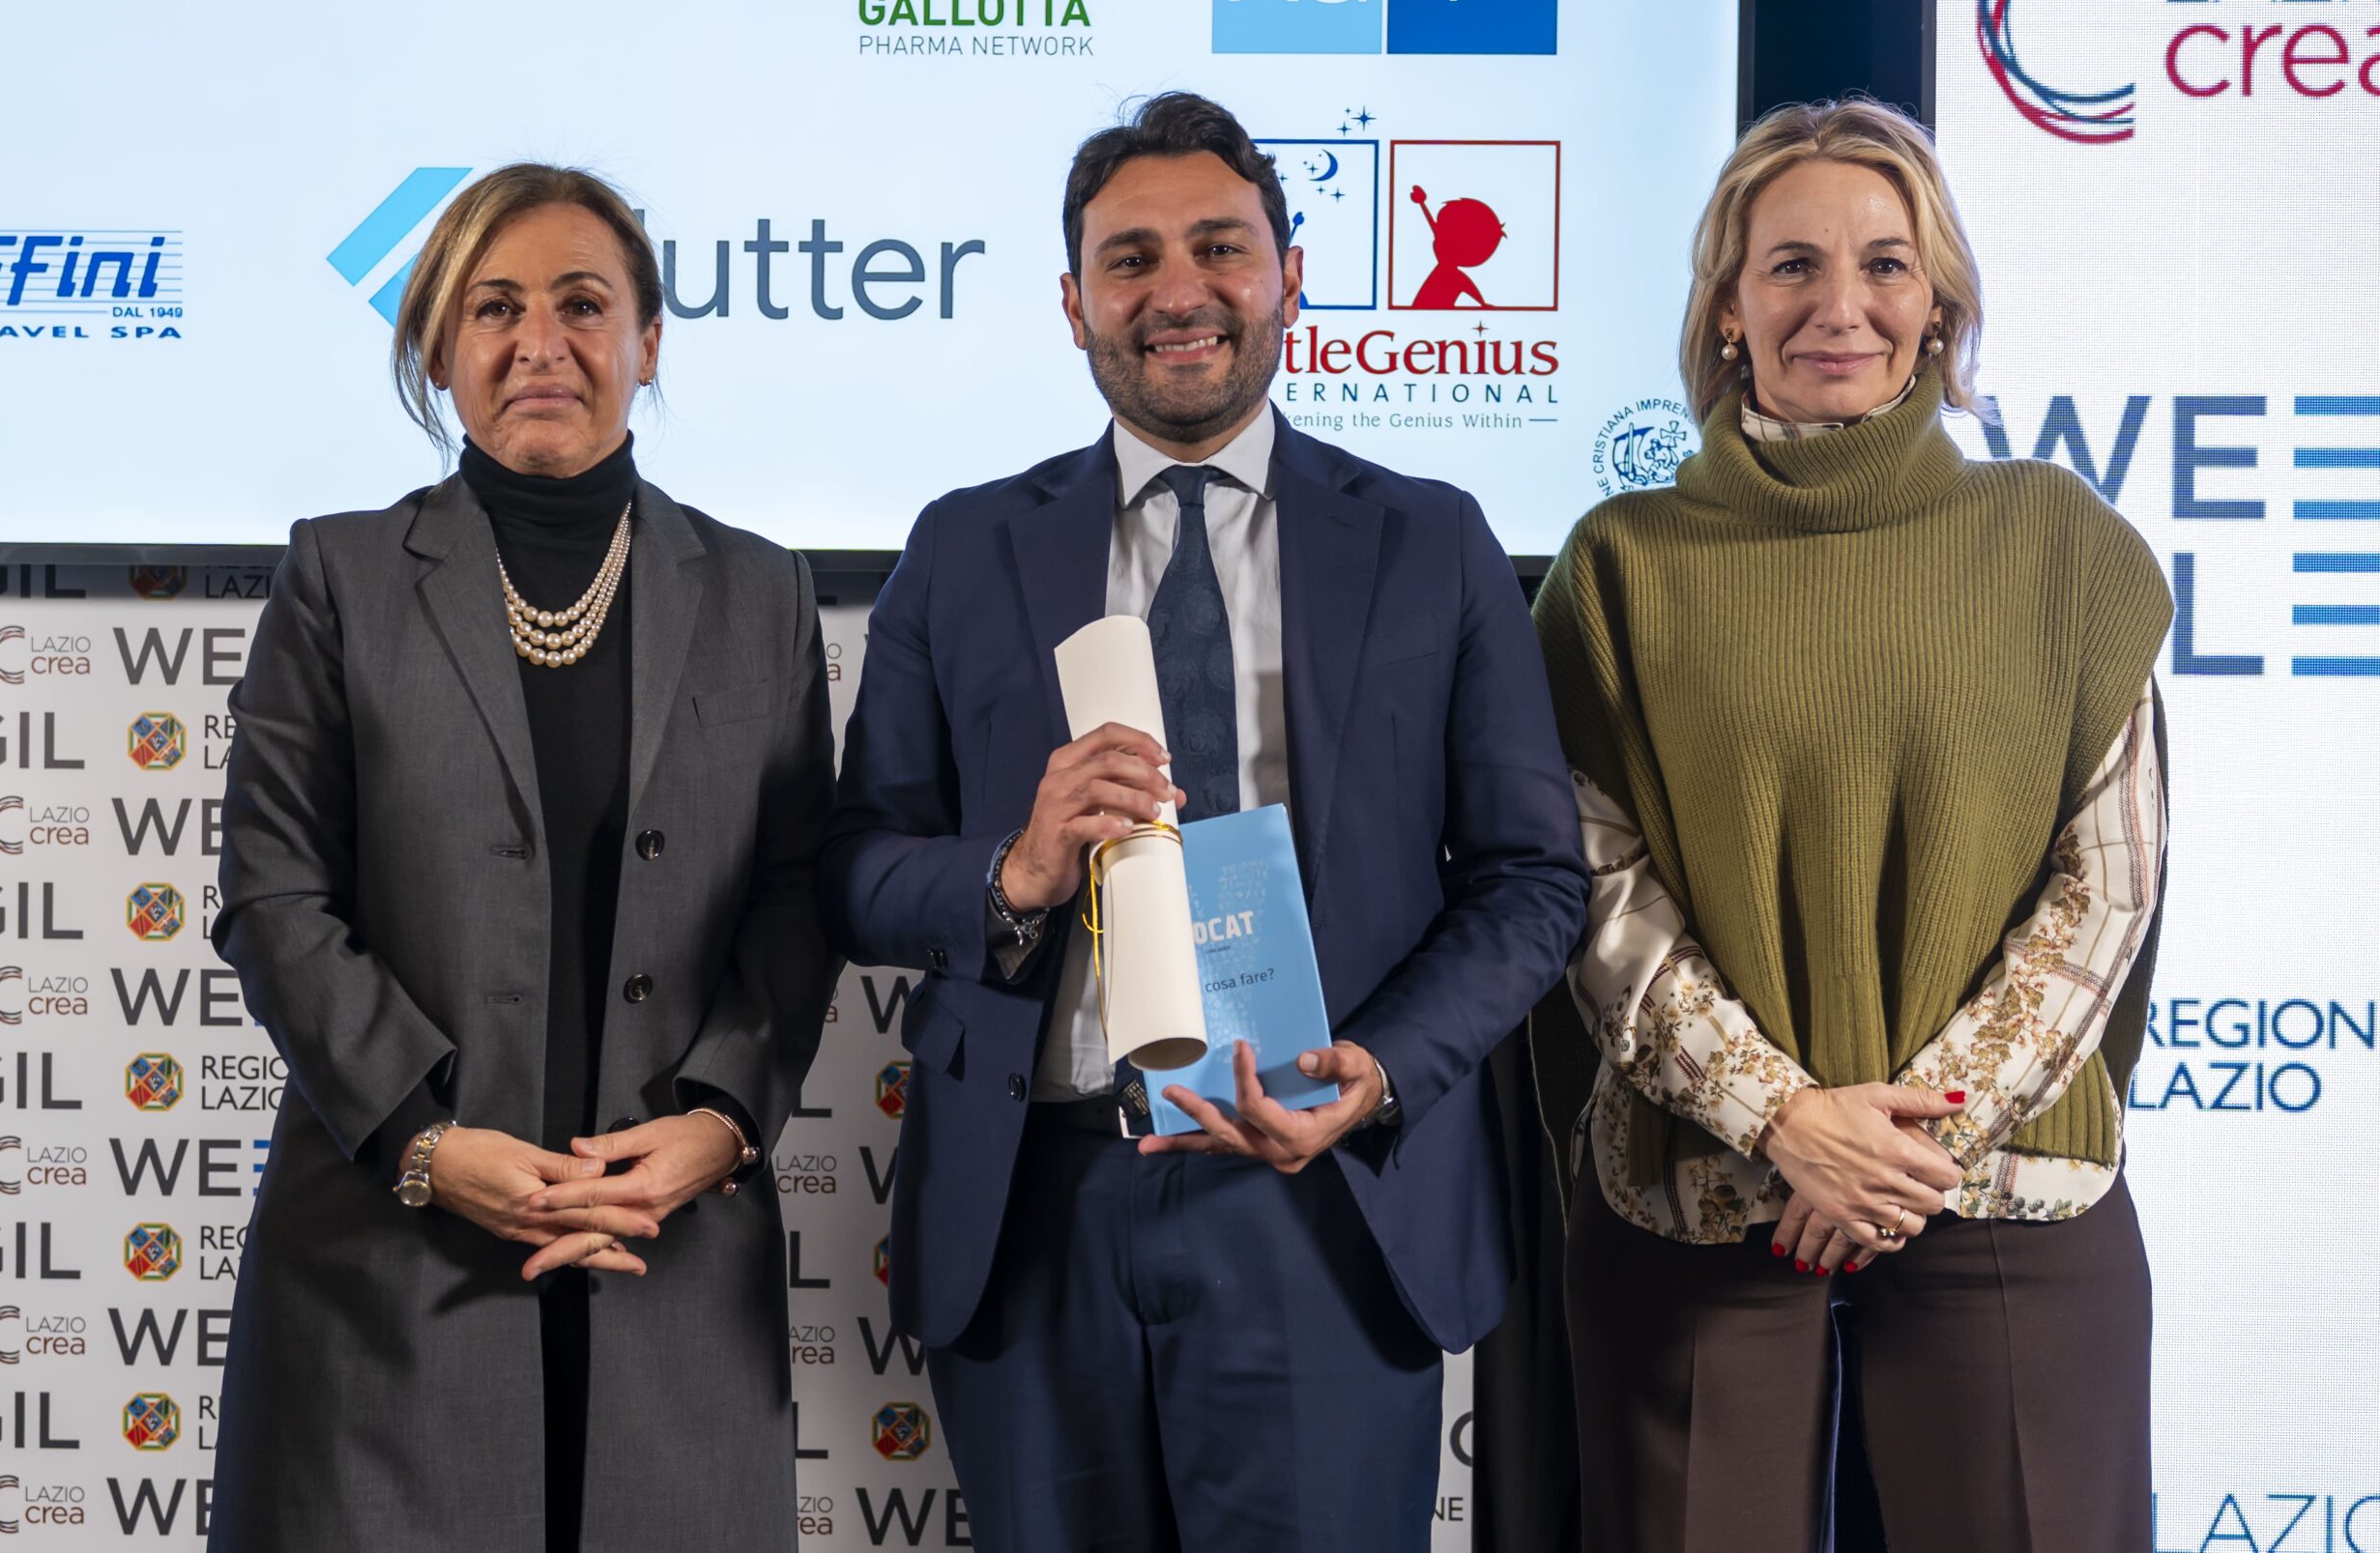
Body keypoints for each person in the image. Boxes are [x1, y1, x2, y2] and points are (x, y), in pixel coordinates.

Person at [820, 91, 1591, 1552]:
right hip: (1037, 1201)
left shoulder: (1431, 540)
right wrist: (1014, 872)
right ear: (1073, 304)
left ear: (1289, 276)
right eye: (1130, 260)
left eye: (1220, 247)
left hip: (1327, 1194)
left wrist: (1378, 1071)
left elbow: (1533, 882)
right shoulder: (964, 546)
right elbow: (856, 868)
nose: (1178, 291)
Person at [1533, 98, 2172, 1552]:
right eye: (1791, 266)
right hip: (1703, 1181)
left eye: (1885, 264)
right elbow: (1592, 885)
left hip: (2003, 1178)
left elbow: (2109, 882)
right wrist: (1785, 1120)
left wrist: (1896, 1151)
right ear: (1727, 308)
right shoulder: (1620, 565)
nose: (1842, 306)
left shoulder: (2064, 543)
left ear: (1940, 302)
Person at [208, 163, 835, 1553]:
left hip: (671, 1260)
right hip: (388, 1269)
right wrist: (425, 1144)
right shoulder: (339, 577)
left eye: (582, 305)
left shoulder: (762, 591)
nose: (538, 343)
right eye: (494, 308)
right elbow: (273, 893)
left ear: (648, 344)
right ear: (439, 350)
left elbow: (799, 896)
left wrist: (722, 1125)